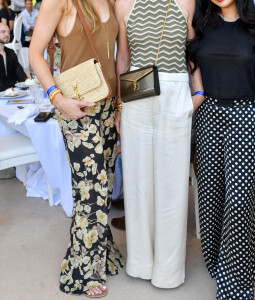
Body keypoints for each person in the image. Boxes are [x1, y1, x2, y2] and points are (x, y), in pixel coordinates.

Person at [29, 0, 124, 297]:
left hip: (108, 106)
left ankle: (101, 252)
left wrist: (120, 104)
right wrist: (57, 98)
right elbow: (35, 52)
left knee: (104, 187)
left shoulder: (111, 0)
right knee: (90, 190)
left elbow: (118, 57)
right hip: (77, 108)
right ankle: (81, 272)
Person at [186, 0, 255, 298]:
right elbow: (192, 66)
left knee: (240, 202)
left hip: (245, 115)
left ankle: (236, 284)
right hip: (208, 116)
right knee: (211, 195)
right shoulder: (200, 23)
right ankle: (216, 261)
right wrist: (198, 94)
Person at [115, 0, 203, 289]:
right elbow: (123, 58)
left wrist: (198, 91)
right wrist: (119, 104)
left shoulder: (185, 1)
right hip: (136, 92)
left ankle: (168, 269)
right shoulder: (124, 3)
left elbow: (191, 53)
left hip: (176, 91)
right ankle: (140, 262)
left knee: (172, 183)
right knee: (138, 181)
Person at [0, 23, 26, 91]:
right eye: (3, 32)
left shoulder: (10, 52)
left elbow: (21, 76)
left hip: (13, 95)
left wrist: (30, 83)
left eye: (8, 32)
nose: (7, 34)